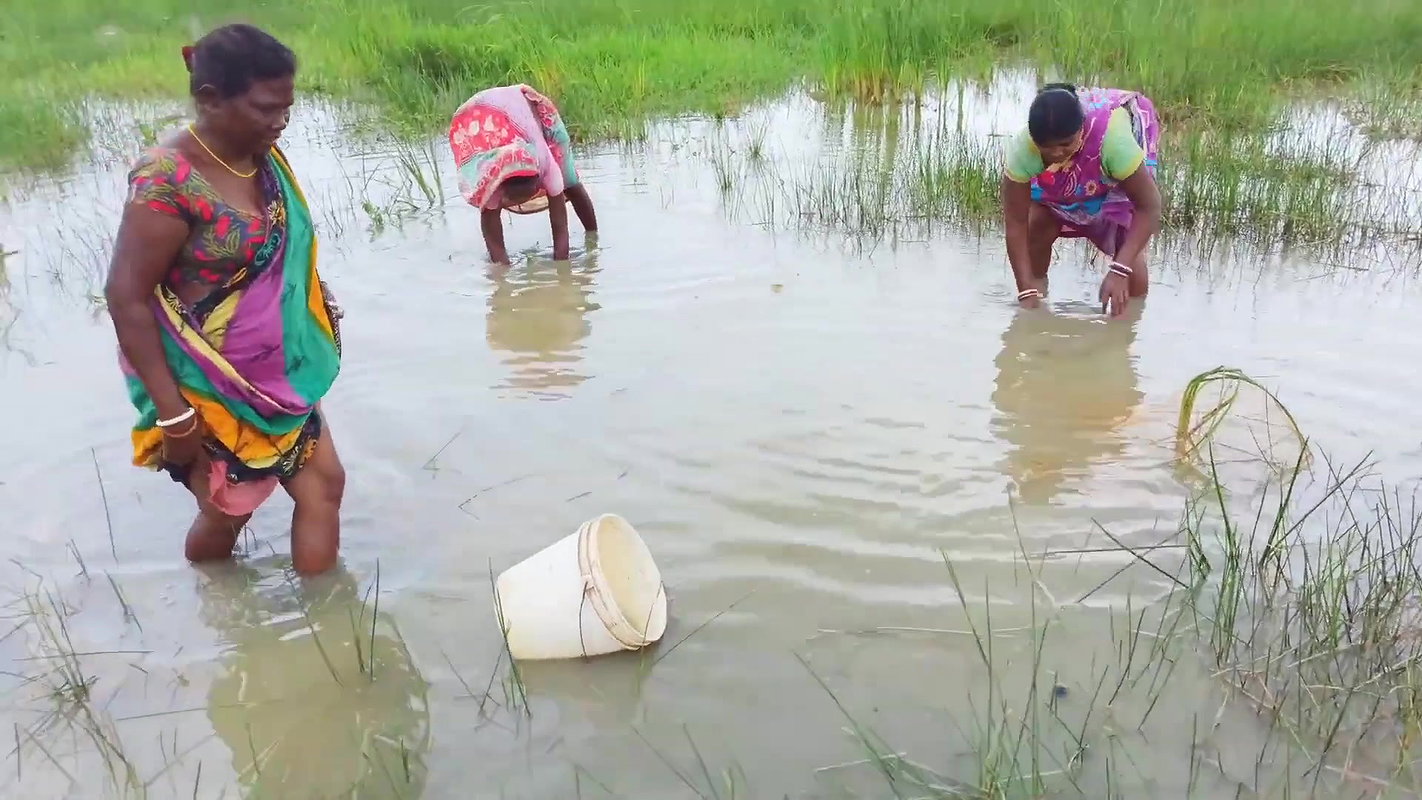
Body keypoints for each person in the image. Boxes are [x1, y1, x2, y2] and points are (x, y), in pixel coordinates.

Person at [104, 24, 345, 576]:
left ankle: (331, 619)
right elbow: (125, 296)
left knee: (324, 487)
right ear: (211, 99)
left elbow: (283, 256)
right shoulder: (168, 180)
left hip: (279, 379)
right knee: (227, 512)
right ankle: (215, 601)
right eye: (266, 108)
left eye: (287, 107)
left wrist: (311, 298)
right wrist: (174, 415)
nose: (281, 121)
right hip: (207, 389)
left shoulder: (262, 157)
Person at [1000, 83, 1162, 318]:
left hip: (1110, 158)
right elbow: (1016, 223)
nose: (1056, 153)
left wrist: (1119, 270)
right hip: (1081, 165)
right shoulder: (1024, 150)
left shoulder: (1114, 143)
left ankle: (1129, 319)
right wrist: (1026, 292)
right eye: (1046, 148)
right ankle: (1038, 292)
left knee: (1131, 266)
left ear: (1081, 130)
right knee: (1039, 222)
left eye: (1065, 144)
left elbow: (1149, 207)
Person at [449, 84, 598, 264]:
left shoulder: (548, 167)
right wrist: (502, 267)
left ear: (538, 183)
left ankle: (593, 234)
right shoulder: (491, 182)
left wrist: (562, 266)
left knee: (570, 180)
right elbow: (491, 231)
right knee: (490, 212)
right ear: (502, 190)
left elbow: (560, 228)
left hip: (525, 108)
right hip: (484, 113)